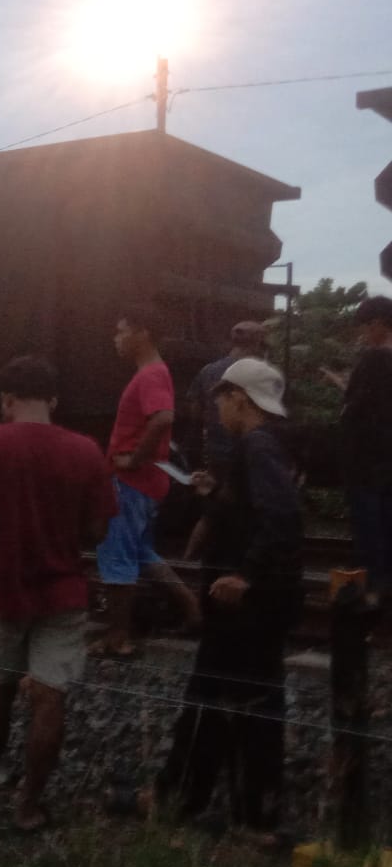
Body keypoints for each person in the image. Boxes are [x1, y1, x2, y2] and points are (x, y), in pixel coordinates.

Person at [130, 359, 302, 836]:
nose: (216, 410)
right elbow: (251, 515)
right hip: (252, 607)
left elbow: (283, 518)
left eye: (221, 399)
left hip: (245, 606)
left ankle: (225, 810)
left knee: (233, 702)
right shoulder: (268, 446)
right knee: (231, 699)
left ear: (239, 399)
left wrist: (245, 575)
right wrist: (212, 496)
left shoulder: (257, 446)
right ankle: (209, 803)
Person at [0, 357, 117, 831]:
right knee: (49, 700)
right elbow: (99, 530)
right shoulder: (85, 450)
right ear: (54, 401)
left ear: (6, 400)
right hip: (62, 596)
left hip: (0, 590)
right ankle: (30, 805)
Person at [94, 307, 201, 657]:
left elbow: (162, 418)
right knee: (141, 553)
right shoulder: (153, 372)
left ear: (143, 333)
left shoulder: (150, 375)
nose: (116, 338)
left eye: (121, 330)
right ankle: (192, 608)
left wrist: (133, 460)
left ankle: (118, 638)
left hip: (132, 482)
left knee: (117, 555)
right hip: (145, 481)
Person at [330, 295, 392, 610]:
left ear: (378, 323)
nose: (363, 334)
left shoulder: (374, 359)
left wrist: (346, 394)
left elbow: (354, 413)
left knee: (370, 532)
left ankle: (371, 597)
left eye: (366, 327)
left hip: (366, 463)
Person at [185, 321, 267, 476]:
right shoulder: (262, 374)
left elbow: (195, 414)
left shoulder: (207, 371)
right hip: (249, 459)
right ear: (258, 342)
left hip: (215, 456)